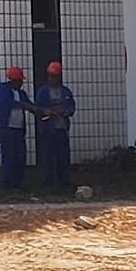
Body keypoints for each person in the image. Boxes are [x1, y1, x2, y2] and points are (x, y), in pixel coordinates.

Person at [31, 54, 79, 192]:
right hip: (48, 129)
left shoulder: (65, 91)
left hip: (61, 129)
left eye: (54, 76)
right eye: (50, 76)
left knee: (63, 156)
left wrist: (66, 111)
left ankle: (63, 182)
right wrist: (47, 112)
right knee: (47, 156)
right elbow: (37, 108)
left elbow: (71, 107)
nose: (51, 78)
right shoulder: (43, 92)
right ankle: (47, 183)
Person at [0, 65, 31, 192]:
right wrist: (23, 105)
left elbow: (30, 105)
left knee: (20, 156)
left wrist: (42, 110)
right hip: (6, 129)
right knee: (9, 156)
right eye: (20, 80)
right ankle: (8, 184)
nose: (21, 83)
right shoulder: (3, 89)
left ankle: (18, 183)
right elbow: (6, 103)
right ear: (13, 80)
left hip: (18, 129)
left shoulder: (21, 93)